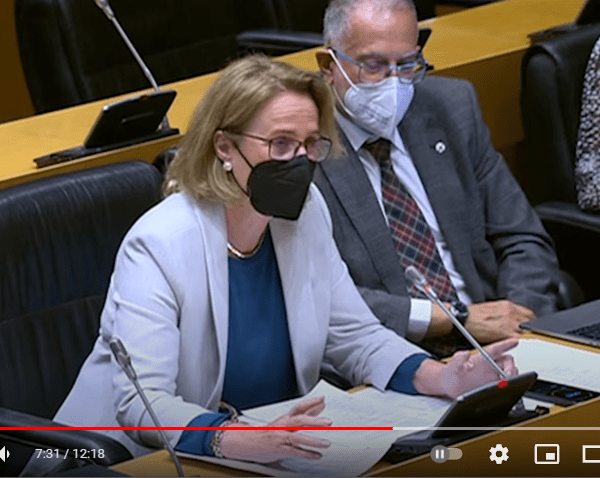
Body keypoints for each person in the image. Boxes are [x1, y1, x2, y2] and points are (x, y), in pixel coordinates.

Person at [50, 55, 517, 466]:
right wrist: (234, 438)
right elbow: (143, 402)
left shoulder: (305, 212)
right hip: (126, 460)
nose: (300, 161)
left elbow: (355, 335)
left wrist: (443, 376)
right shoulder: (160, 242)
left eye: (310, 144)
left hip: (271, 453)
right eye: (280, 144)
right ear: (225, 147)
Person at [313, 0, 561, 356]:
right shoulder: (300, 144)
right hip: (389, 356)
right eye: (374, 65)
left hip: (499, 342)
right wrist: (451, 319)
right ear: (329, 66)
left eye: (407, 64)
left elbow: (522, 237)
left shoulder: (451, 106)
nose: (394, 83)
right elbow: (319, 296)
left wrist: (519, 324)